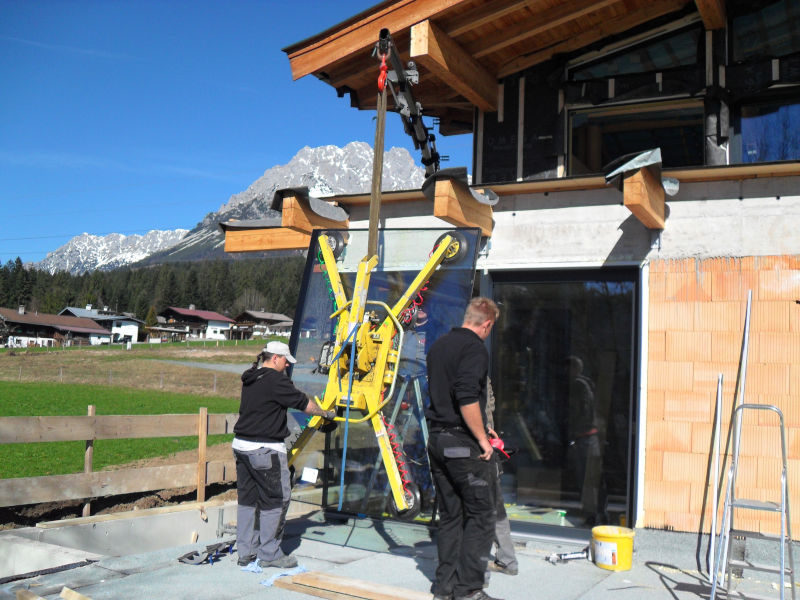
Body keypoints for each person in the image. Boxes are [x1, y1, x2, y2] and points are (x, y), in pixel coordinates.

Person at [232, 340, 336, 568]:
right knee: (277, 500)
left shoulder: (252, 377)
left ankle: (245, 552)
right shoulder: (276, 380)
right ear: (276, 358)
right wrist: (326, 414)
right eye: (286, 361)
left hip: (241, 447)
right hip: (265, 449)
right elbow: (303, 404)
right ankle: (270, 555)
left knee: (248, 500)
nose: (288, 366)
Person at [425, 297, 503, 600]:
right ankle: (468, 590)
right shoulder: (474, 349)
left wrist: (483, 427)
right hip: (462, 445)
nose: (488, 333)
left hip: (438, 441)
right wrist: (483, 440)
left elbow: (448, 396)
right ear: (486, 324)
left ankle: (444, 588)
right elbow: (466, 396)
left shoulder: (439, 346)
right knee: (482, 516)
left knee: (451, 515)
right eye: (489, 329)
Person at [565, 355, 607, 527]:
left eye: (567, 368)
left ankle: (594, 515)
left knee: (588, 478)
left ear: (574, 369)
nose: (565, 372)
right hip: (592, 435)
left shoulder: (578, 385)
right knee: (593, 478)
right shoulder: (587, 383)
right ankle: (598, 513)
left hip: (586, 436)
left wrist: (573, 430)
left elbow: (582, 410)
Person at [484, 379, 518, 578]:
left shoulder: (468, 368)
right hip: (488, 443)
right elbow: (491, 403)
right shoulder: (482, 374)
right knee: (495, 505)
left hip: (479, 447)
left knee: (476, 511)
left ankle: (478, 574)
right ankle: (508, 560)